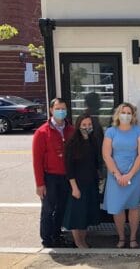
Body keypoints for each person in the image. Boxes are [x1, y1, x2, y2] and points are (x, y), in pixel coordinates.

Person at [102, 102, 140, 249]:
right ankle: (121, 238)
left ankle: (133, 238)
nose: (126, 115)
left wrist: (129, 175)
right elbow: (107, 155)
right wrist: (117, 174)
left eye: (129, 113)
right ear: (118, 114)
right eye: (123, 112)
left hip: (135, 174)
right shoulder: (110, 131)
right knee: (118, 208)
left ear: (133, 115)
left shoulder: (139, 131)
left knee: (134, 207)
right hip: (115, 176)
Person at [32, 98, 75, 248]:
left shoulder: (71, 130)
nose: (61, 111)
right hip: (50, 177)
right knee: (48, 209)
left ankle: (57, 235)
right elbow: (37, 160)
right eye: (58, 108)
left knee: (61, 208)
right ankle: (47, 238)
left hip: (66, 177)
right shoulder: (42, 132)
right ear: (51, 110)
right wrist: (40, 184)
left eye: (63, 108)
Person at [63, 114, 100, 248]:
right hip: (78, 184)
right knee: (77, 214)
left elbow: (95, 162)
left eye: (89, 125)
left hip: (91, 183)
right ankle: (78, 242)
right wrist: (74, 187)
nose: (87, 127)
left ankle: (83, 240)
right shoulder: (72, 143)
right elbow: (69, 168)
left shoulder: (93, 140)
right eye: (84, 125)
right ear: (78, 126)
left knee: (86, 214)